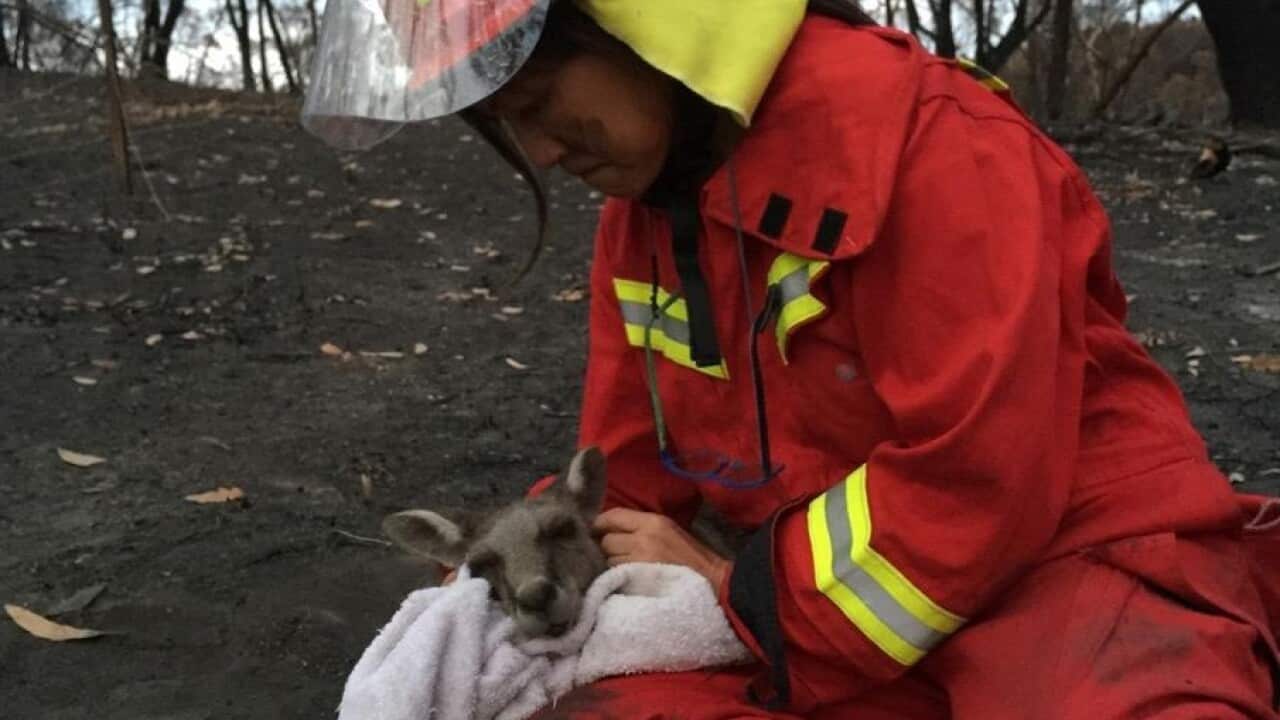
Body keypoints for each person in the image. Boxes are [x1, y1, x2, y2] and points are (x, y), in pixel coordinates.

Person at [302, 1, 1280, 717]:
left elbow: (978, 481)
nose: (543, 153)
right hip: (819, 616)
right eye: (510, 123)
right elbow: (624, 472)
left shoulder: (940, 153)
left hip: (1071, 566)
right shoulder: (639, 226)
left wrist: (747, 598)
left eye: (543, 100)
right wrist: (491, 578)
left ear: (650, 21)